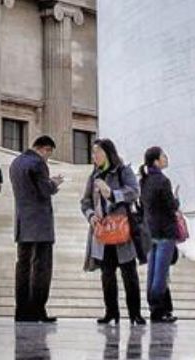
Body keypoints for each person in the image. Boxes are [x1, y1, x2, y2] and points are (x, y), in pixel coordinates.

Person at [80, 137, 144, 326]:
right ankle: (111, 313)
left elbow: (134, 191)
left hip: (121, 230)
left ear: (107, 152)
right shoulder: (94, 176)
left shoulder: (123, 171)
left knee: (129, 273)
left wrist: (112, 193)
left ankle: (135, 314)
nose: (94, 156)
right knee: (107, 275)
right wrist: (91, 215)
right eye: (92, 152)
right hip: (102, 232)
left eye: (97, 152)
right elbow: (85, 201)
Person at [10, 134, 63, 323]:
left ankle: (22, 310)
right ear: (45, 149)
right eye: (48, 153)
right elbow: (44, 190)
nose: (47, 157)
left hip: (22, 223)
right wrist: (54, 184)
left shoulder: (16, 163)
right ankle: (37, 310)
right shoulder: (38, 164)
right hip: (40, 224)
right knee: (41, 267)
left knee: (22, 266)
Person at [139, 146, 180, 323]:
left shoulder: (145, 180)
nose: (166, 158)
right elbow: (171, 206)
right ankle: (158, 309)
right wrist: (177, 199)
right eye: (163, 155)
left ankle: (154, 307)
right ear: (156, 160)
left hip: (151, 231)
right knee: (161, 274)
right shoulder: (163, 181)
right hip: (165, 232)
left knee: (152, 271)